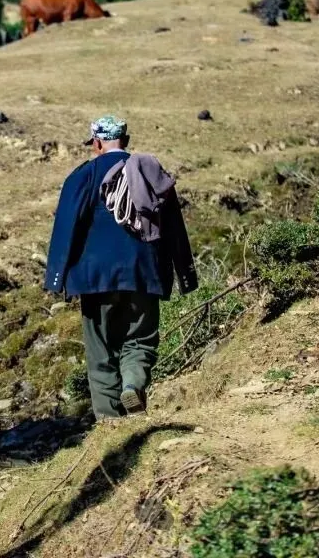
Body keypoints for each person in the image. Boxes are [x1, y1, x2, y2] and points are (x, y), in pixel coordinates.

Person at [44, 115, 198, 420]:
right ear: (125, 142)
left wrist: (56, 278)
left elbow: (66, 227)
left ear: (97, 143)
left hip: (94, 278)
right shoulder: (151, 173)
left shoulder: (83, 176)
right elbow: (175, 228)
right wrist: (185, 275)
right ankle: (133, 383)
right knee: (140, 339)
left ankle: (109, 422)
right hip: (144, 273)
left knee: (101, 350)